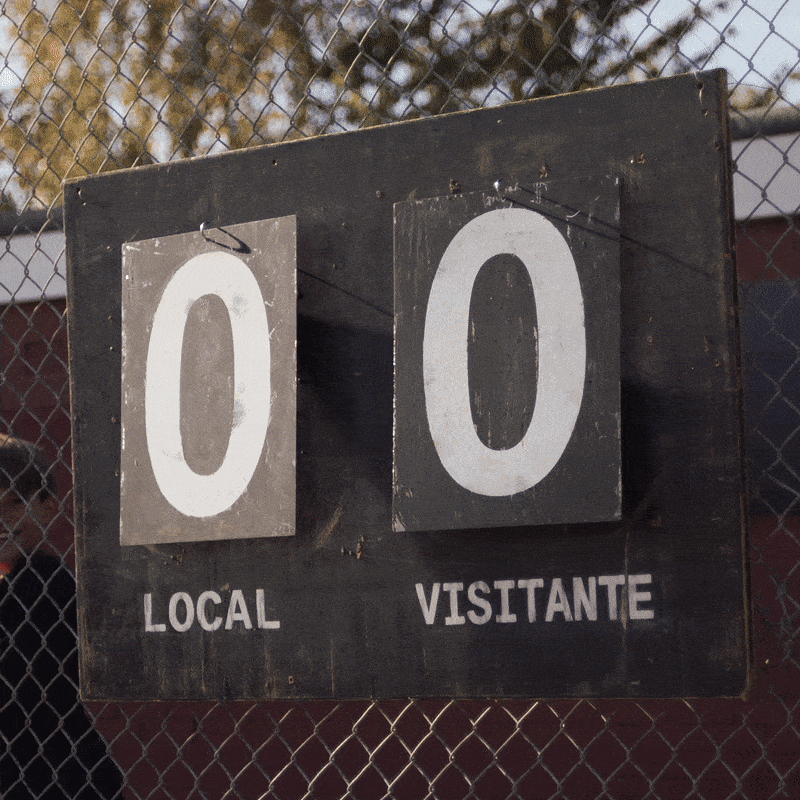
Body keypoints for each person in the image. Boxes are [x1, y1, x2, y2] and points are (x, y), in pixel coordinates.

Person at [0, 434, 123, 799]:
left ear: (47, 507)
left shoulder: (46, 581)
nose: (1, 518)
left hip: (52, 776)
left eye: (14, 502)